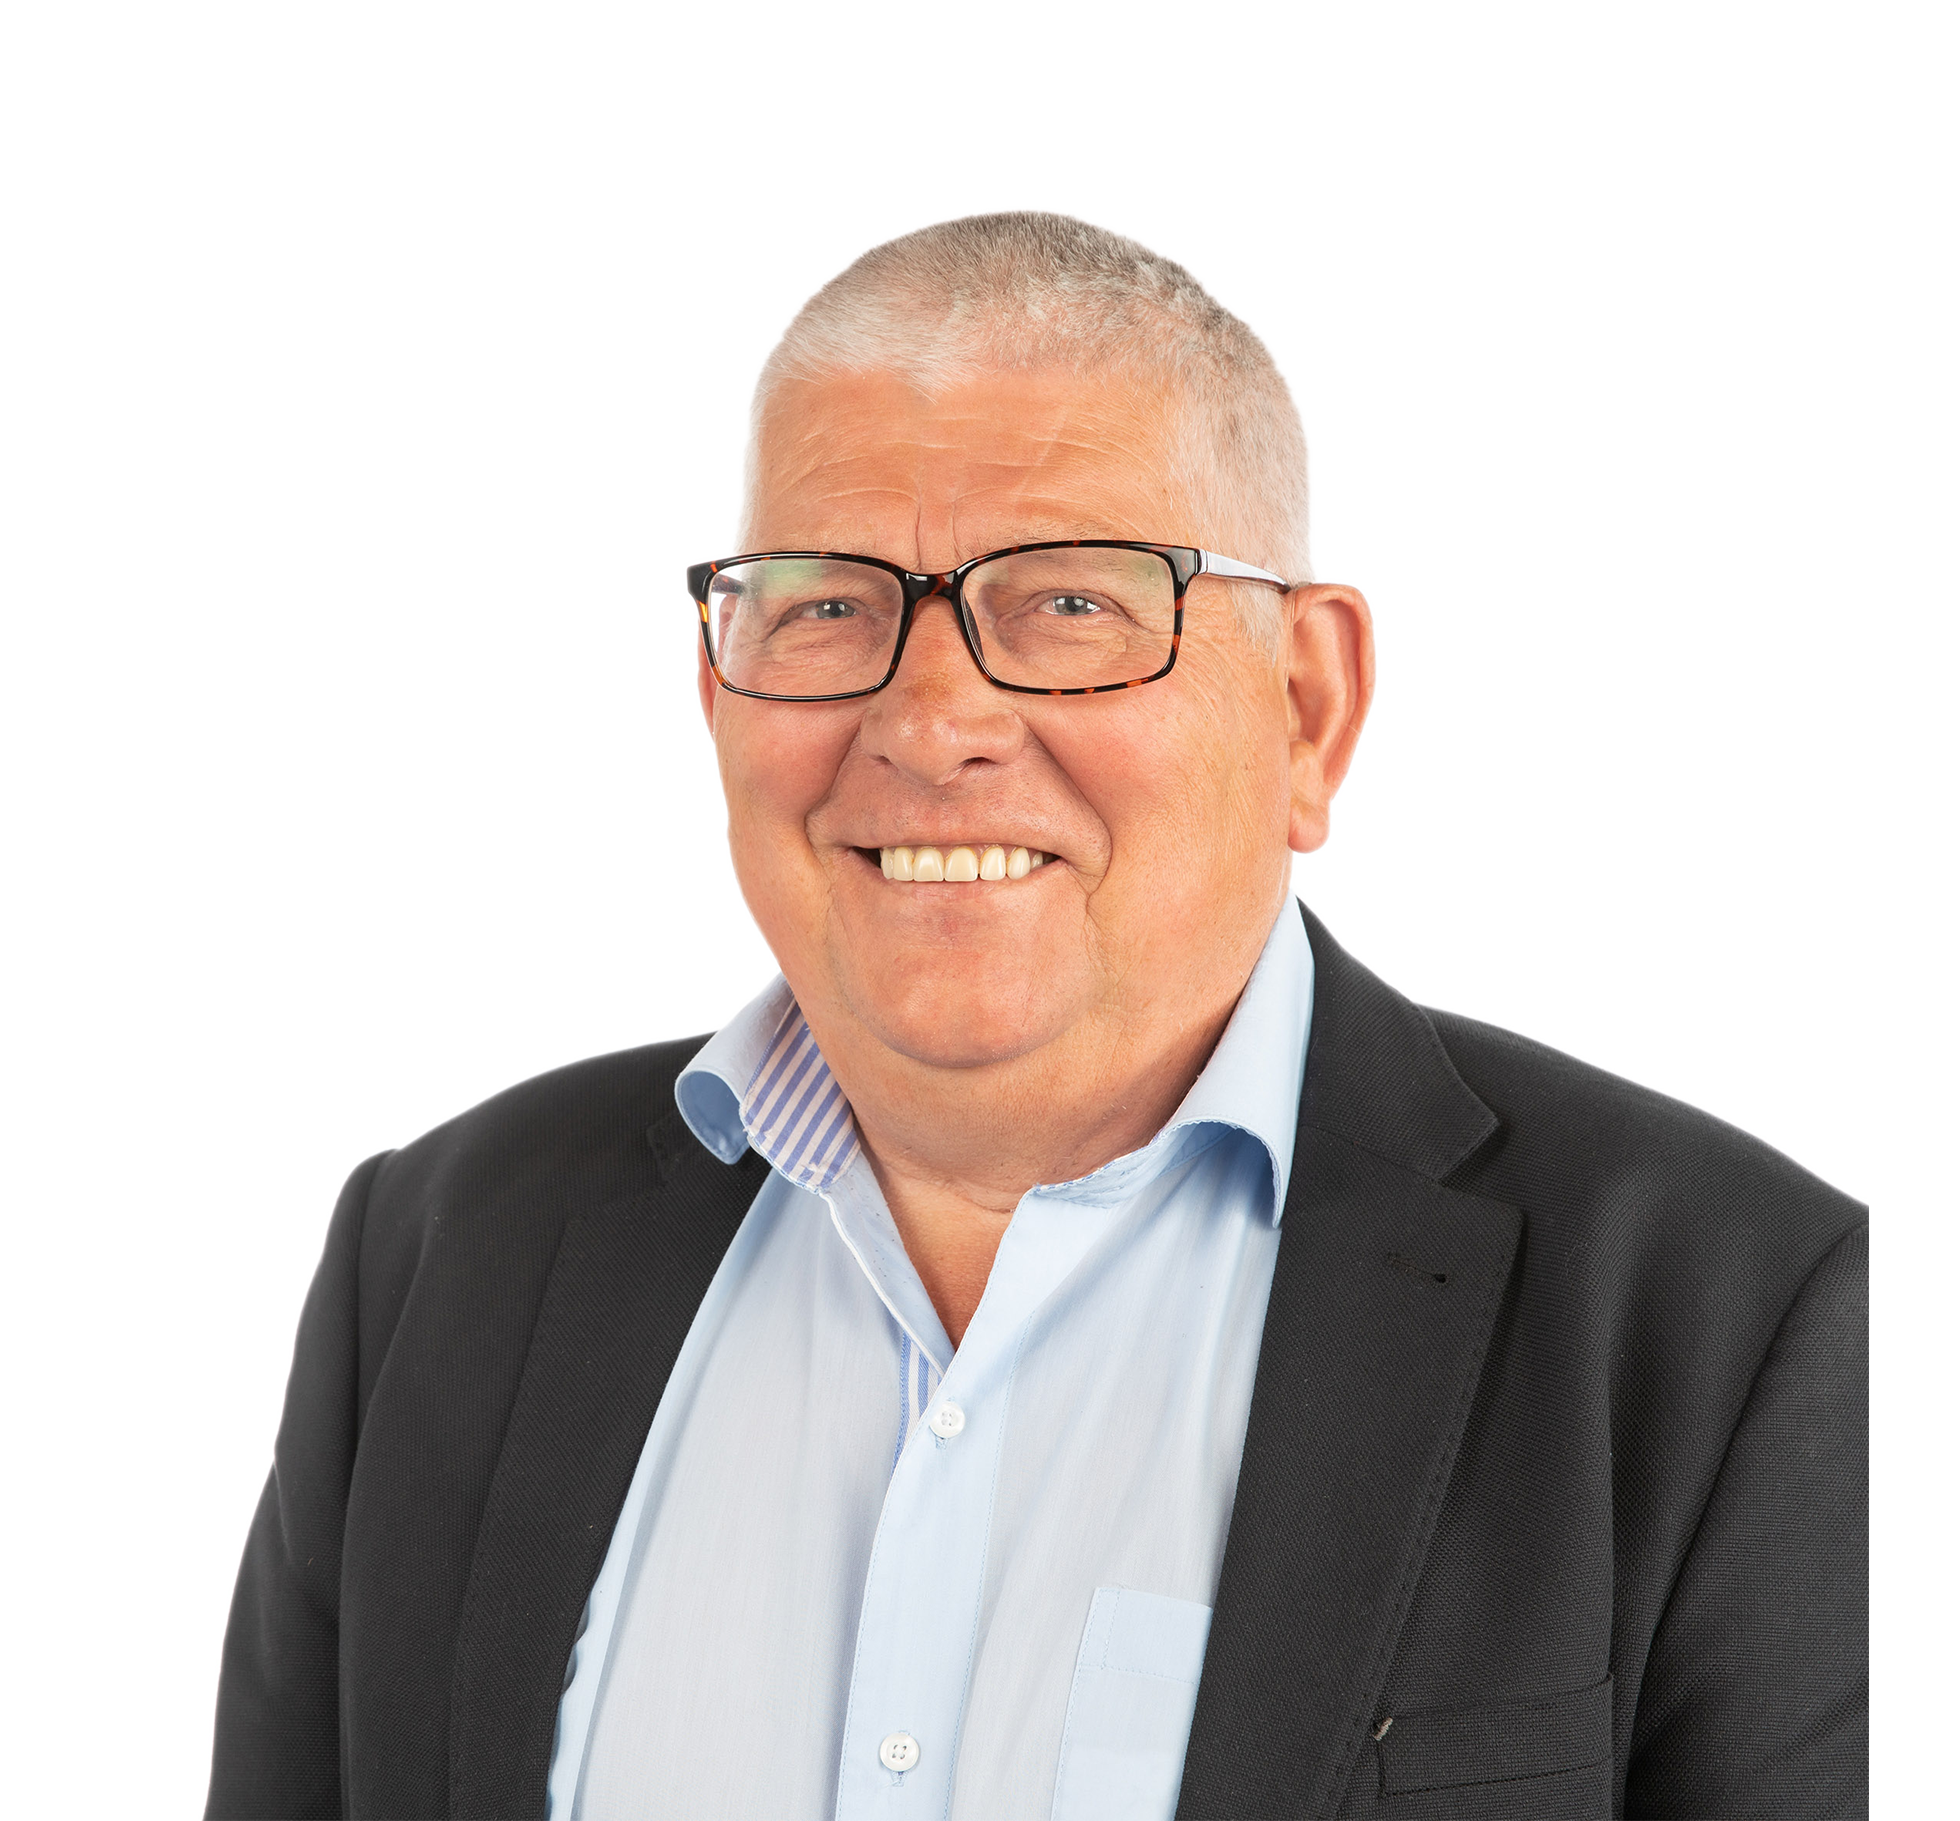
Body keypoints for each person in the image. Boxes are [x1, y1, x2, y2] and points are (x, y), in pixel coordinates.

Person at [204, 211, 1866, 1821]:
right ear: (717, 694)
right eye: (828, 604)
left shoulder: (1729, 1320)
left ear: (1307, 707)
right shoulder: (436, 1257)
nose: (931, 722)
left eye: (1072, 604)